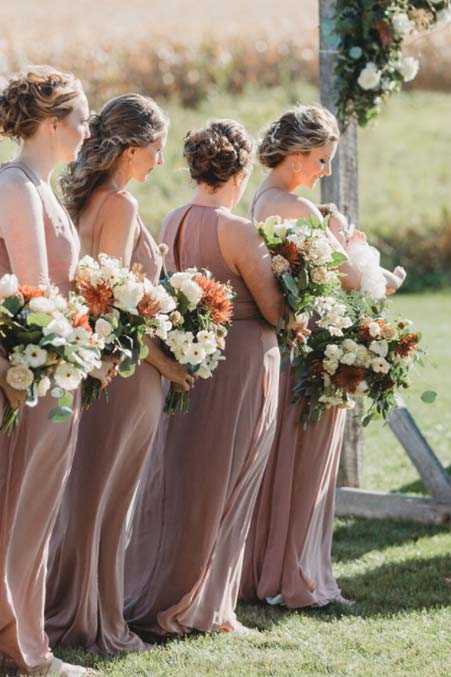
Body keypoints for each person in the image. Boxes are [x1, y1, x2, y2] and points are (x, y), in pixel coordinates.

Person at [124, 119, 286, 635]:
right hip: (241, 363)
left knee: (184, 477)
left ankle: (165, 586)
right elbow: (275, 310)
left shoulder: (172, 218)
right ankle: (206, 607)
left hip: (191, 364)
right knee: (232, 479)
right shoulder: (238, 230)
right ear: (240, 171)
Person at [240, 105, 405, 610]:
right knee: (305, 469)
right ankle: (298, 578)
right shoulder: (297, 209)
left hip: (287, 348)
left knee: (279, 466)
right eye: (321, 160)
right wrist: (368, 261)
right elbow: (349, 281)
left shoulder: (260, 200)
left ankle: (269, 572)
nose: (325, 172)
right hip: (313, 352)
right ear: (295, 155)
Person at [45, 94, 192, 654]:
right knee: (105, 497)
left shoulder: (89, 200)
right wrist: (167, 363)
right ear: (132, 150)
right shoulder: (120, 205)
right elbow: (107, 302)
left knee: (90, 493)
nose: (160, 162)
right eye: (156, 150)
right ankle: (91, 620)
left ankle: (86, 608)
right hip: (126, 375)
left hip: (110, 368)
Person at [0, 66, 94, 677]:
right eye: (82, 120)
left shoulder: (41, 185)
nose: (88, 132)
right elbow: (33, 291)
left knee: (33, 507)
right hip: (28, 370)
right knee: (21, 505)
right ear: (54, 122)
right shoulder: (15, 185)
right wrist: (81, 340)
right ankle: (24, 648)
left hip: (55, 366)